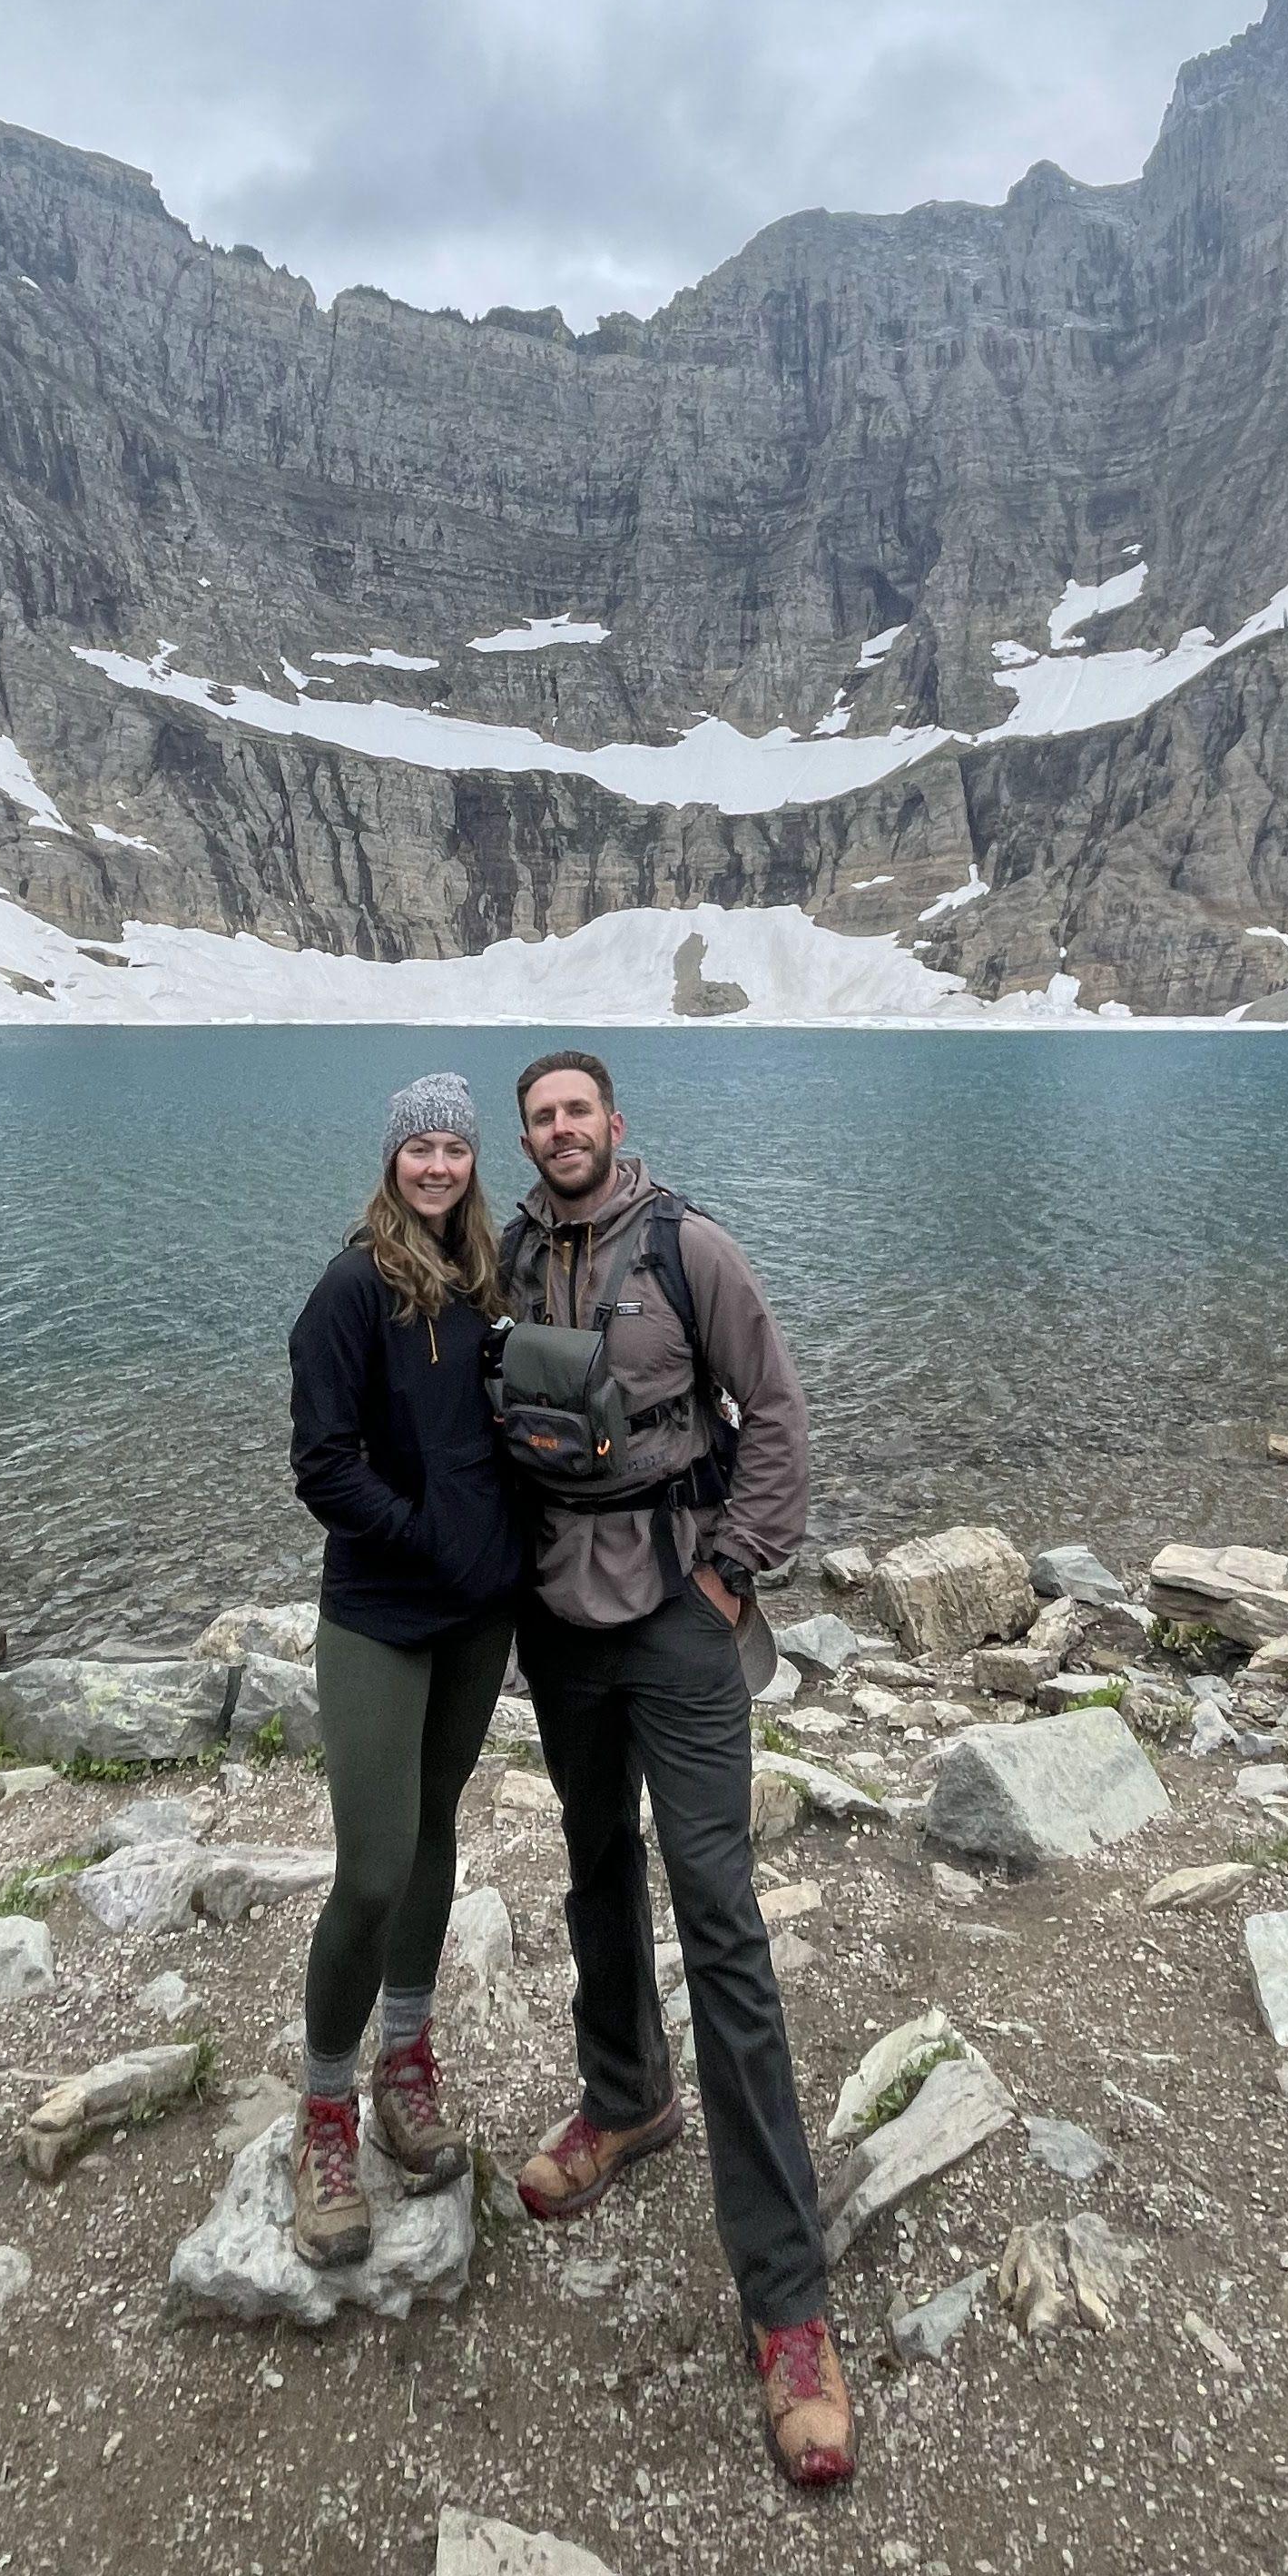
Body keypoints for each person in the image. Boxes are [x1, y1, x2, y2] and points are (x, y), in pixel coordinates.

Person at [493, 1046, 855, 2491]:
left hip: (678, 1621)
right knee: (591, 1870)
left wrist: (730, 1578)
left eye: (578, 1111)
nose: (560, 1131)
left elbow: (774, 1415)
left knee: (722, 1920)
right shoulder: (505, 1256)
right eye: (539, 1117)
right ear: (526, 1141)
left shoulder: (688, 1246)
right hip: (557, 1624)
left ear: (615, 1127)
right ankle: (626, 2096)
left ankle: (788, 2303)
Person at [281, 1071, 533, 2267]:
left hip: (477, 1614)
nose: (437, 1164)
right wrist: (425, 1531)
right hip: (381, 1613)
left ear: (471, 1164)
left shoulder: (491, 1280)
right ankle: (325, 2110)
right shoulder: (348, 1290)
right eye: (418, 1147)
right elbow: (321, 1468)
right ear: (391, 1162)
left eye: (454, 1148)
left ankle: (408, 2066)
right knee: (374, 1866)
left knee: (436, 1834)